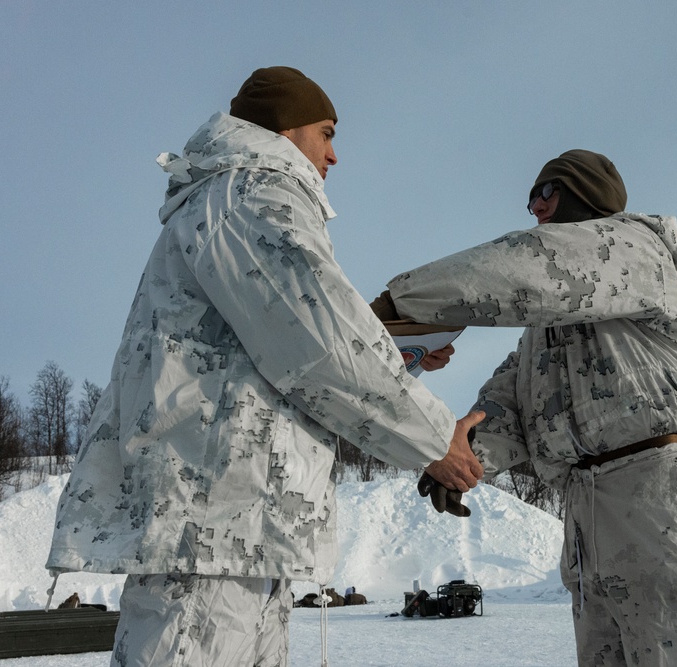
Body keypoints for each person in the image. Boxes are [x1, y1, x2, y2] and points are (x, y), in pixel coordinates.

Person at [45, 66, 482, 667]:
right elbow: (321, 344)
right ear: (284, 129)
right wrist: (433, 437)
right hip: (214, 525)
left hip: (239, 528)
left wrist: (400, 360)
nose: (334, 154)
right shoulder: (252, 192)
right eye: (326, 133)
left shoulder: (236, 197)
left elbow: (280, 346)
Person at [385, 150, 677, 665]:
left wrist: (399, 305)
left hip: (655, 499)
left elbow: (530, 264)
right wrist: (462, 454)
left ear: (584, 192)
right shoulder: (544, 333)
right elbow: (509, 401)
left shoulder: (631, 249)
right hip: (582, 513)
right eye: (529, 197)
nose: (533, 207)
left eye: (545, 191)